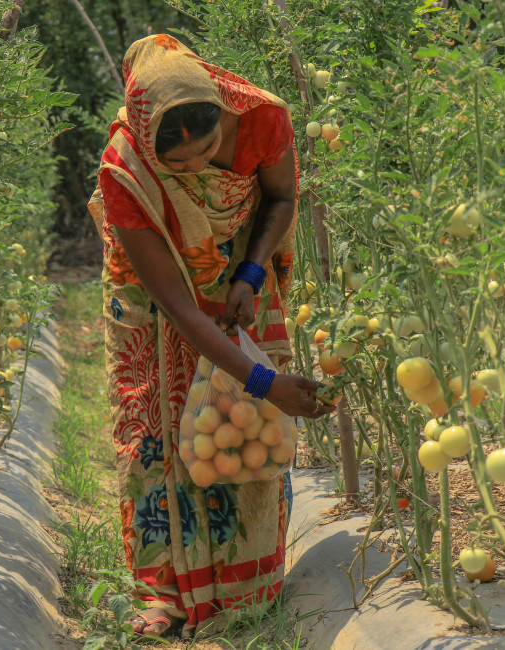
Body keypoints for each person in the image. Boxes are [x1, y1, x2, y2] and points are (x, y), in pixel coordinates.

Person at [87, 34, 335, 639]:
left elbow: (279, 195)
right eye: (181, 166)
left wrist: (250, 272)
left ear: (222, 117)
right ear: (150, 150)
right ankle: (162, 591)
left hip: (241, 275)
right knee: (158, 434)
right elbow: (177, 307)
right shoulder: (127, 171)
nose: (199, 170)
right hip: (154, 305)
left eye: (209, 152)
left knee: (240, 435)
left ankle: (248, 581)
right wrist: (263, 382)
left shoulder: (260, 117)